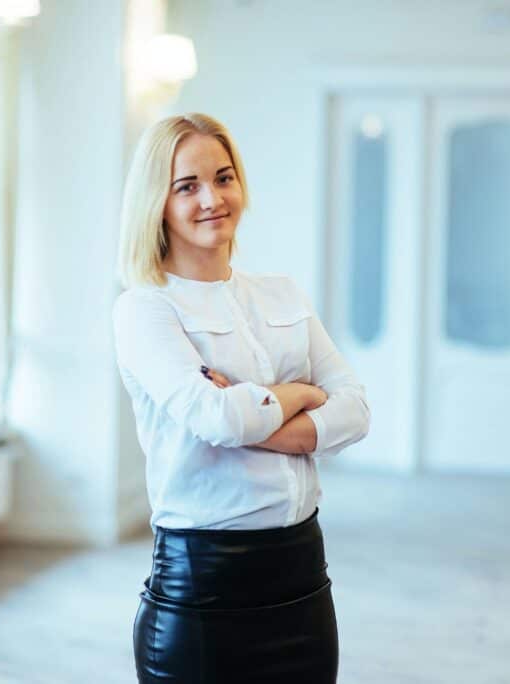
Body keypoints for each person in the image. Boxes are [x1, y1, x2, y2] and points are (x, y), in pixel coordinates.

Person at [112, 112, 371, 683]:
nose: (212, 198)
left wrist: (256, 409)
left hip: (302, 579)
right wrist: (303, 395)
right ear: (157, 201)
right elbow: (216, 416)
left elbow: (354, 410)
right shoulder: (145, 308)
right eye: (188, 186)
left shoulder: (281, 292)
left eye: (223, 178)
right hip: (203, 591)